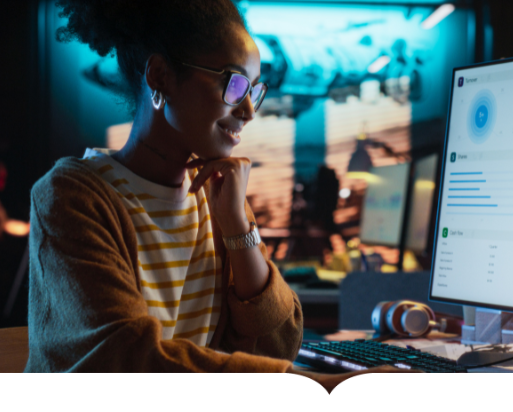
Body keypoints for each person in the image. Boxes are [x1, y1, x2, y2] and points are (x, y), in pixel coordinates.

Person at [27, 0, 395, 386]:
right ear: (161, 76)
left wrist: (236, 222)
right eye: (234, 84)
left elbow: (278, 343)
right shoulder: (73, 197)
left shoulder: (216, 196)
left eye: (254, 89)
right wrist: (323, 388)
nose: (249, 110)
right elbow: (127, 360)